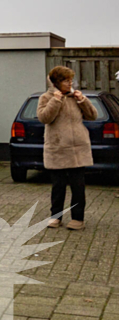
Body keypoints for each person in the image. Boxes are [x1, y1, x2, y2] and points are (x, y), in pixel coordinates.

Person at [38, 66, 96, 230]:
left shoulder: (75, 97)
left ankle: (78, 219)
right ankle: (56, 217)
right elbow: (44, 118)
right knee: (58, 186)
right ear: (56, 82)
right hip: (57, 149)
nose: (70, 83)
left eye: (71, 79)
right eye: (66, 80)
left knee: (78, 186)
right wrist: (55, 101)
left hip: (78, 149)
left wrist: (82, 100)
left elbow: (93, 115)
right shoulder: (46, 97)